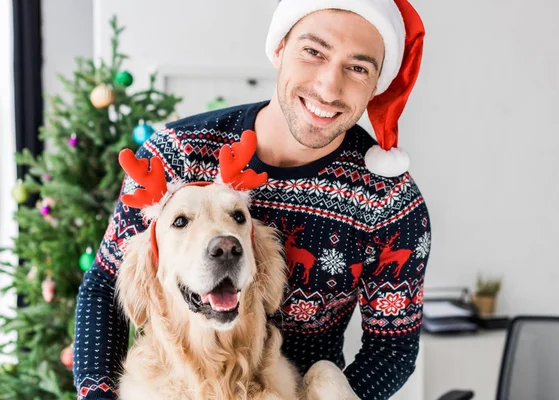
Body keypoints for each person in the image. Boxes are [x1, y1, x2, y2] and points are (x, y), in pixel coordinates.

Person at [73, 0, 431, 399]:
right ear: (279, 48)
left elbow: (391, 349)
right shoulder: (175, 154)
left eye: (358, 68)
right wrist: (99, 395)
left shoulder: (389, 202)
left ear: (377, 84)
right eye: (314, 51)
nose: (329, 87)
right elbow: (105, 284)